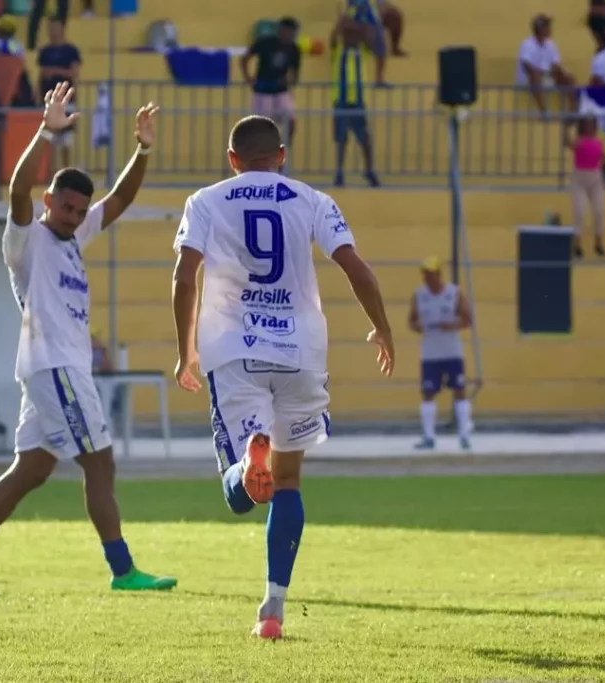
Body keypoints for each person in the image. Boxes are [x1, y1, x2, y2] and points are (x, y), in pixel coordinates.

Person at [0, 82, 177, 594]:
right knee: (100, 461)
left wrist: (144, 149)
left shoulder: (73, 235)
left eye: (78, 211)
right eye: (67, 208)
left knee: (32, 471)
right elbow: (17, 190)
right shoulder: (27, 238)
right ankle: (123, 571)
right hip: (56, 368)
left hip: (55, 368)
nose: (74, 218)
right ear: (50, 202)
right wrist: (46, 129)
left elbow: (118, 201)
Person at [170, 114, 394, 639]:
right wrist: (381, 327)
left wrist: (186, 352)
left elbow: (184, 275)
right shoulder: (312, 199)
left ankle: (250, 459)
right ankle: (272, 609)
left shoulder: (206, 200)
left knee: (239, 494)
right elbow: (355, 266)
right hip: (301, 353)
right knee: (289, 482)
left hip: (235, 351)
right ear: (282, 155)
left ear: (232, 160)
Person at [408, 257, 472, 450]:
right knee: (428, 393)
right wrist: (417, 327)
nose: (427, 278)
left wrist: (452, 325)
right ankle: (428, 437)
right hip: (430, 353)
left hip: (452, 351)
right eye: (424, 274)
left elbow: (467, 320)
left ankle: (464, 435)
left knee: (459, 391)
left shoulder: (454, 293)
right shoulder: (419, 295)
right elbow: (411, 321)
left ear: (438, 274)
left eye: (430, 274)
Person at [331, 14, 379, 188]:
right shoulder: (338, 52)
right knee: (341, 140)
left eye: (354, 35)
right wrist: (340, 23)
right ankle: (339, 172)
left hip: (358, 103)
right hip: (341, 102)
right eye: (348, 34)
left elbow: (373, 40)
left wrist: (365, 23)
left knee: (365, 139)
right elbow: (333, 38)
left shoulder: (362, 52)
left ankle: (369, 171)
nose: (351, 37)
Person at [240, 17, 301, 148]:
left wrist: (288, 80)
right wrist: (248, 78)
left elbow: (295, 76)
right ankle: (263, 155)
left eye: (292, 33)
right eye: (286, 32)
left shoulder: (294, 49)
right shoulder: (265, 43)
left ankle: (282, 154)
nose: (288, 36)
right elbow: (245, 58)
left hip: (281, 91)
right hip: (263, 91)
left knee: (290, 122)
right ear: (280, 31)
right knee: (263, 127)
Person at [38, 17, 82, 174]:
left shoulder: (71, 51)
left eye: (56, 27)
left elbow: (74, 72)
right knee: (50, 139)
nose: (53, 31)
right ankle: (51, 174)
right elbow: (42, 74)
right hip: (49, 100)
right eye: (51, 28)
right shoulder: (44, 51)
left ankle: (67, 172)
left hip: (66, 100)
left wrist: (55, 72)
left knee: (67, 140)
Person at [516, 15, 576, 115]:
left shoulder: (551, 45)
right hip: (528, 79)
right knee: (535, 75)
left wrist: (557, 71)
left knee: (569, 78)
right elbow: (526, 65)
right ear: (540, 29)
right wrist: (540, 73)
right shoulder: (527, 44)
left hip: (546, 76)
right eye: (547, 27)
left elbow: (555, 64)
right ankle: (543, 111)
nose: (550, 29)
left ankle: (573, 110)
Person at [565, 116, 605, 258]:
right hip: (580, 180)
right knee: (580, 212)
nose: (590, 127)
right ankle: (577, 244)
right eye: (587, 125)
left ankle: (598, 243)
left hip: (595, 178)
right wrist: (566, 128)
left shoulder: (599, 142)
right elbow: (569, 143)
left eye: (592, 125)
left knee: (600, 211)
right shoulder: (579, 141)